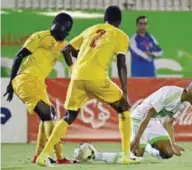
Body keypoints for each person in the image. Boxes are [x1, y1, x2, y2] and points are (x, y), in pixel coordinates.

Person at [36, 6, 139, 166]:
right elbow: (121, 64)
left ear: (105, 18)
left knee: (68, 117)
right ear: (119, 21)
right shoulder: (120, 35)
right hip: (97, 78)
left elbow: (66, 49)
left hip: (77, 77)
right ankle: (126, 155)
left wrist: (73, 67)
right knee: (124, 108)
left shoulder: (91, 29)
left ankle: (44, 156)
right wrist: (124, 90)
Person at [3, 13, 74, 164]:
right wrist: (11, 83)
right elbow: (18, 56)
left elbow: (73, 53)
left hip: (39, 84)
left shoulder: (63, 44)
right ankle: (59, 157)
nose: (65, 34)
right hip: (26, 80)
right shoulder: (40, 37)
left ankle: (38, 155)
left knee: (50, 113)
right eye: (65, 30)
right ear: (59, 27)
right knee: (48, 114)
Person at [131, 80, 192, 159]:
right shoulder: (171, 94)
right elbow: (149, 113)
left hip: (153, 121)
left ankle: (147, 147)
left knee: (168, 152)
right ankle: (139, 144)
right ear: (191, 90)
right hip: (140, 118)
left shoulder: (184, 103)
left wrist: (173, 144)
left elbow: (169, 122)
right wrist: (137, 138)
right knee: (137, 155)